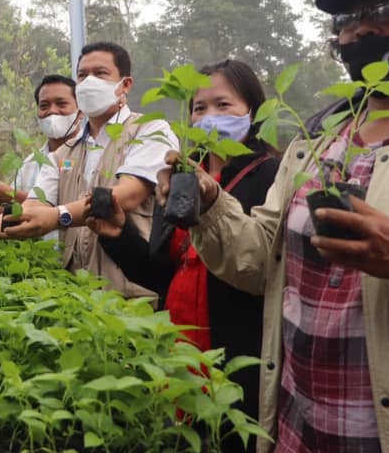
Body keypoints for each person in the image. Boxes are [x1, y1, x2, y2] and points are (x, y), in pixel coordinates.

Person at [150, 0, 389, 452]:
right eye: (349, 19)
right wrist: (210, 205)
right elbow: (260, 262)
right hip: (298, 427)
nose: (363, 29)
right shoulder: (315, 146)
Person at [99, 59, 279, 452]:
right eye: (199, 108)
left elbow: (266, 270)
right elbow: (164, 273)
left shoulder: (271, 177)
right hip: (179, 356)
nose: (209, 117)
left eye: (223, 105)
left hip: (239, 356)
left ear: (253, 110)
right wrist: (119, 234)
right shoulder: (178, 179)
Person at [0, 42, 177, 298]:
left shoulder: (149, 130)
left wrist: (58, 216)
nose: (89, 82)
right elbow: (34, 206)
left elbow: (128, 194)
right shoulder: (65, 153)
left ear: (125, 84)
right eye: (82, 75)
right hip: (78, 297)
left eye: (100, 73)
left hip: (133, 295)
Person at [0, 75, 83, 227]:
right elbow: (4, 212)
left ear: (81, 112)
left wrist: (13, 196)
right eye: (44, 106)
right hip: (38, 242)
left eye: (61, 103)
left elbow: (80, 207)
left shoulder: (90, 152)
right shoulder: (30, 163)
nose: (52, 111)